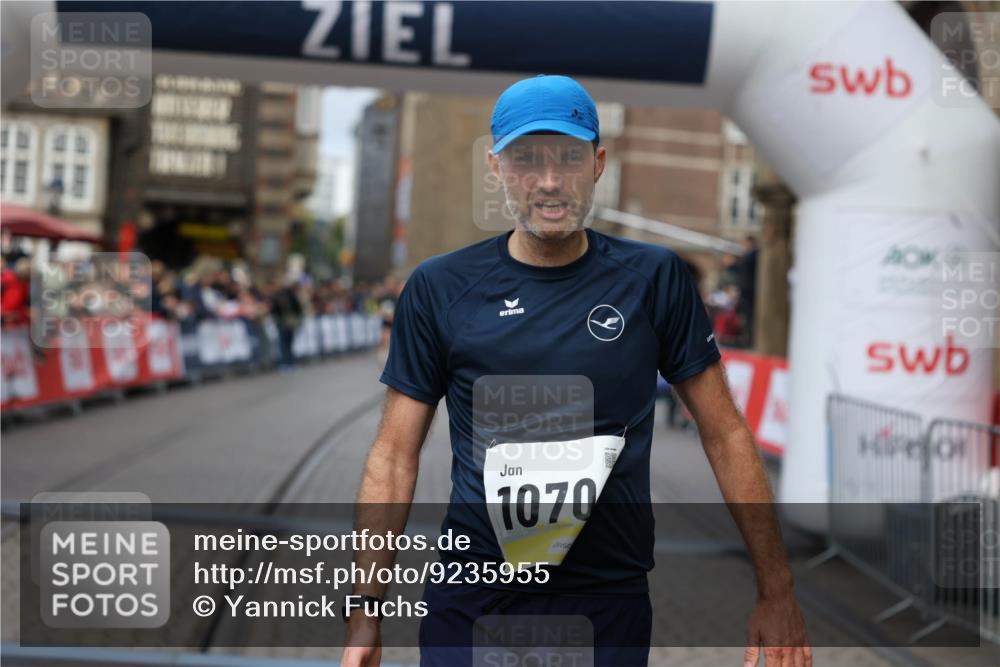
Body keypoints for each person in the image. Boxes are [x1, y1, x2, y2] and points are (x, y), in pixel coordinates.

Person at [343, 75, 810, 667]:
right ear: (496, 166)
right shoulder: (441, 288)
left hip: (605, 602)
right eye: (525, 160)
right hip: (474, 599)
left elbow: (725, 434)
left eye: (568, 157)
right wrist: (365, 609)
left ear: (598, 162)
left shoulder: (654, 280)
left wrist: (777, 589)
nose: (547, 180)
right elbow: (393, 455)